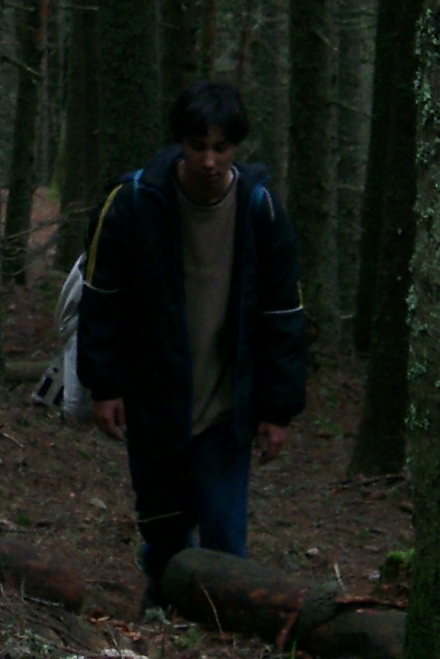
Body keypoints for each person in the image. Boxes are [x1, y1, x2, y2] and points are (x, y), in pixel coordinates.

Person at [76, 80, 306, 590]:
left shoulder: (260, 209)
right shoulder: (134, 203)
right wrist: (105, 385)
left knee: (225, 534)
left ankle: (226, 618)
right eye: (197, 146)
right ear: (180, 143)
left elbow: (283, 312)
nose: (208, 161)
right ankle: (162, 605)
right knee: (163, 528)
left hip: (226, 402)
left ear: (236, 147)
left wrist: (278, 409)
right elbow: (101, 298)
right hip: (154, 394)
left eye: (221, 148)